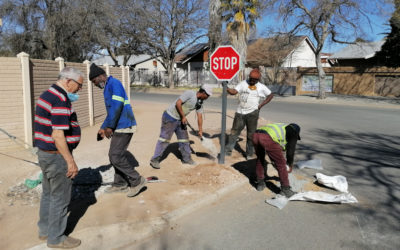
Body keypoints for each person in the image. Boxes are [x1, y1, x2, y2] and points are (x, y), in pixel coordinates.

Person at [34, 67, 83, 248]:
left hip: (44, 153)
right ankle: (56, 238)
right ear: (69, 81)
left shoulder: (47, 94)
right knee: (60, 198)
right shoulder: (60, 99)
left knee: (48, 194)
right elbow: (58, 135)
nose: (79, 89)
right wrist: (70, 161)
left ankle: (45, 230)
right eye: (79, 85)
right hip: (56, 156)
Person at [89, 63, 146, 198]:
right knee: (116, 155)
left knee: (115, 156)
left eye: (94, 81)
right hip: (119, 124)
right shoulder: (108, 86)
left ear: (101, 76)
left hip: (124, 124)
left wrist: (110, 127)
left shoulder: (114, 83)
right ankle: (120, 184)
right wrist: (103, 127)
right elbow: (111, 112)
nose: (95, 84)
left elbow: (117, 106)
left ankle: (137, 180)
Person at [150, 85, 212, 169]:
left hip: (180, 120)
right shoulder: (190, 93)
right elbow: (178, 103)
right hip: (170, 117)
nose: (208, 97)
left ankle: (186, 159)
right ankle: (155, 160)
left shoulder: (199, 103)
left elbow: (199, 116)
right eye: (208, 95)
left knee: (184, 140)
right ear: (203, 92)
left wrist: (200, 130)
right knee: (164, 139)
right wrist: (183, 116)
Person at [225, 68, 273, 160]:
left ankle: (249, 154)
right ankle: (228, 151)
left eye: (254, 80)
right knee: (234, 132)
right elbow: (234, 92)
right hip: (240, 113)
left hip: (252, 114)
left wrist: (261, 105)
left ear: (257, 80)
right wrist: (226, 88)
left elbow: (270, 95)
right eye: (250, 79)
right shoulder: (243, 83)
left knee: (251, 135)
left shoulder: (261, 87)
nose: (251, 81)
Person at [252, 123, 301, 197]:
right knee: (281, 164)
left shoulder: (282, 127)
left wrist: (273, 159)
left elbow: (278, 144)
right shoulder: (293, 132)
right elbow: (290, 152)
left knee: (260, 159)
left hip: (255, 135)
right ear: (297, 132)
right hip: (267, 138)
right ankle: (285, 189)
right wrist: (289, 164)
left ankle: (260, 184)